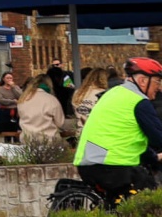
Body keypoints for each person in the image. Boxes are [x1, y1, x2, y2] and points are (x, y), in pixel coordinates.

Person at [74, 58, 162, 204]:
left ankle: (110, 215)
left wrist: (153, 157)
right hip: (110, 166)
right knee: (149, 194)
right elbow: (158, 136)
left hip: (91, 165)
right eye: (157, 81)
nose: (159, 87)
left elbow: (127, 138)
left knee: (117, 204)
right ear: (142, 81)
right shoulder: (139, 101)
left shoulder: (114, 93)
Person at [16, 74, 65, 141]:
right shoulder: (51, 99)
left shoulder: (22, 99)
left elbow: (20, 117)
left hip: (27, 140)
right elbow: (60, 123)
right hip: (48, 140)